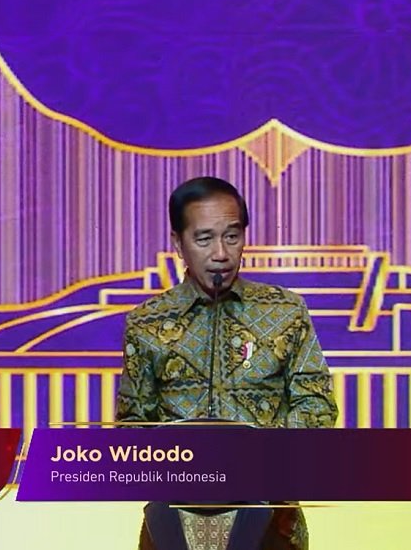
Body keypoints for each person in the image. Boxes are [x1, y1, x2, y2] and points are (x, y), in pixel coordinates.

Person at [116, 176, 338, 550]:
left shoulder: (286, 311)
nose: (221, 253)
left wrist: (260, 460)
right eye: (204, 239)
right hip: (174, 523)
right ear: (178, 243)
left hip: (272, 524)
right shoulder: (146, 323)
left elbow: (316, 407)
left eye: (232, 236)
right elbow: (133, 427)